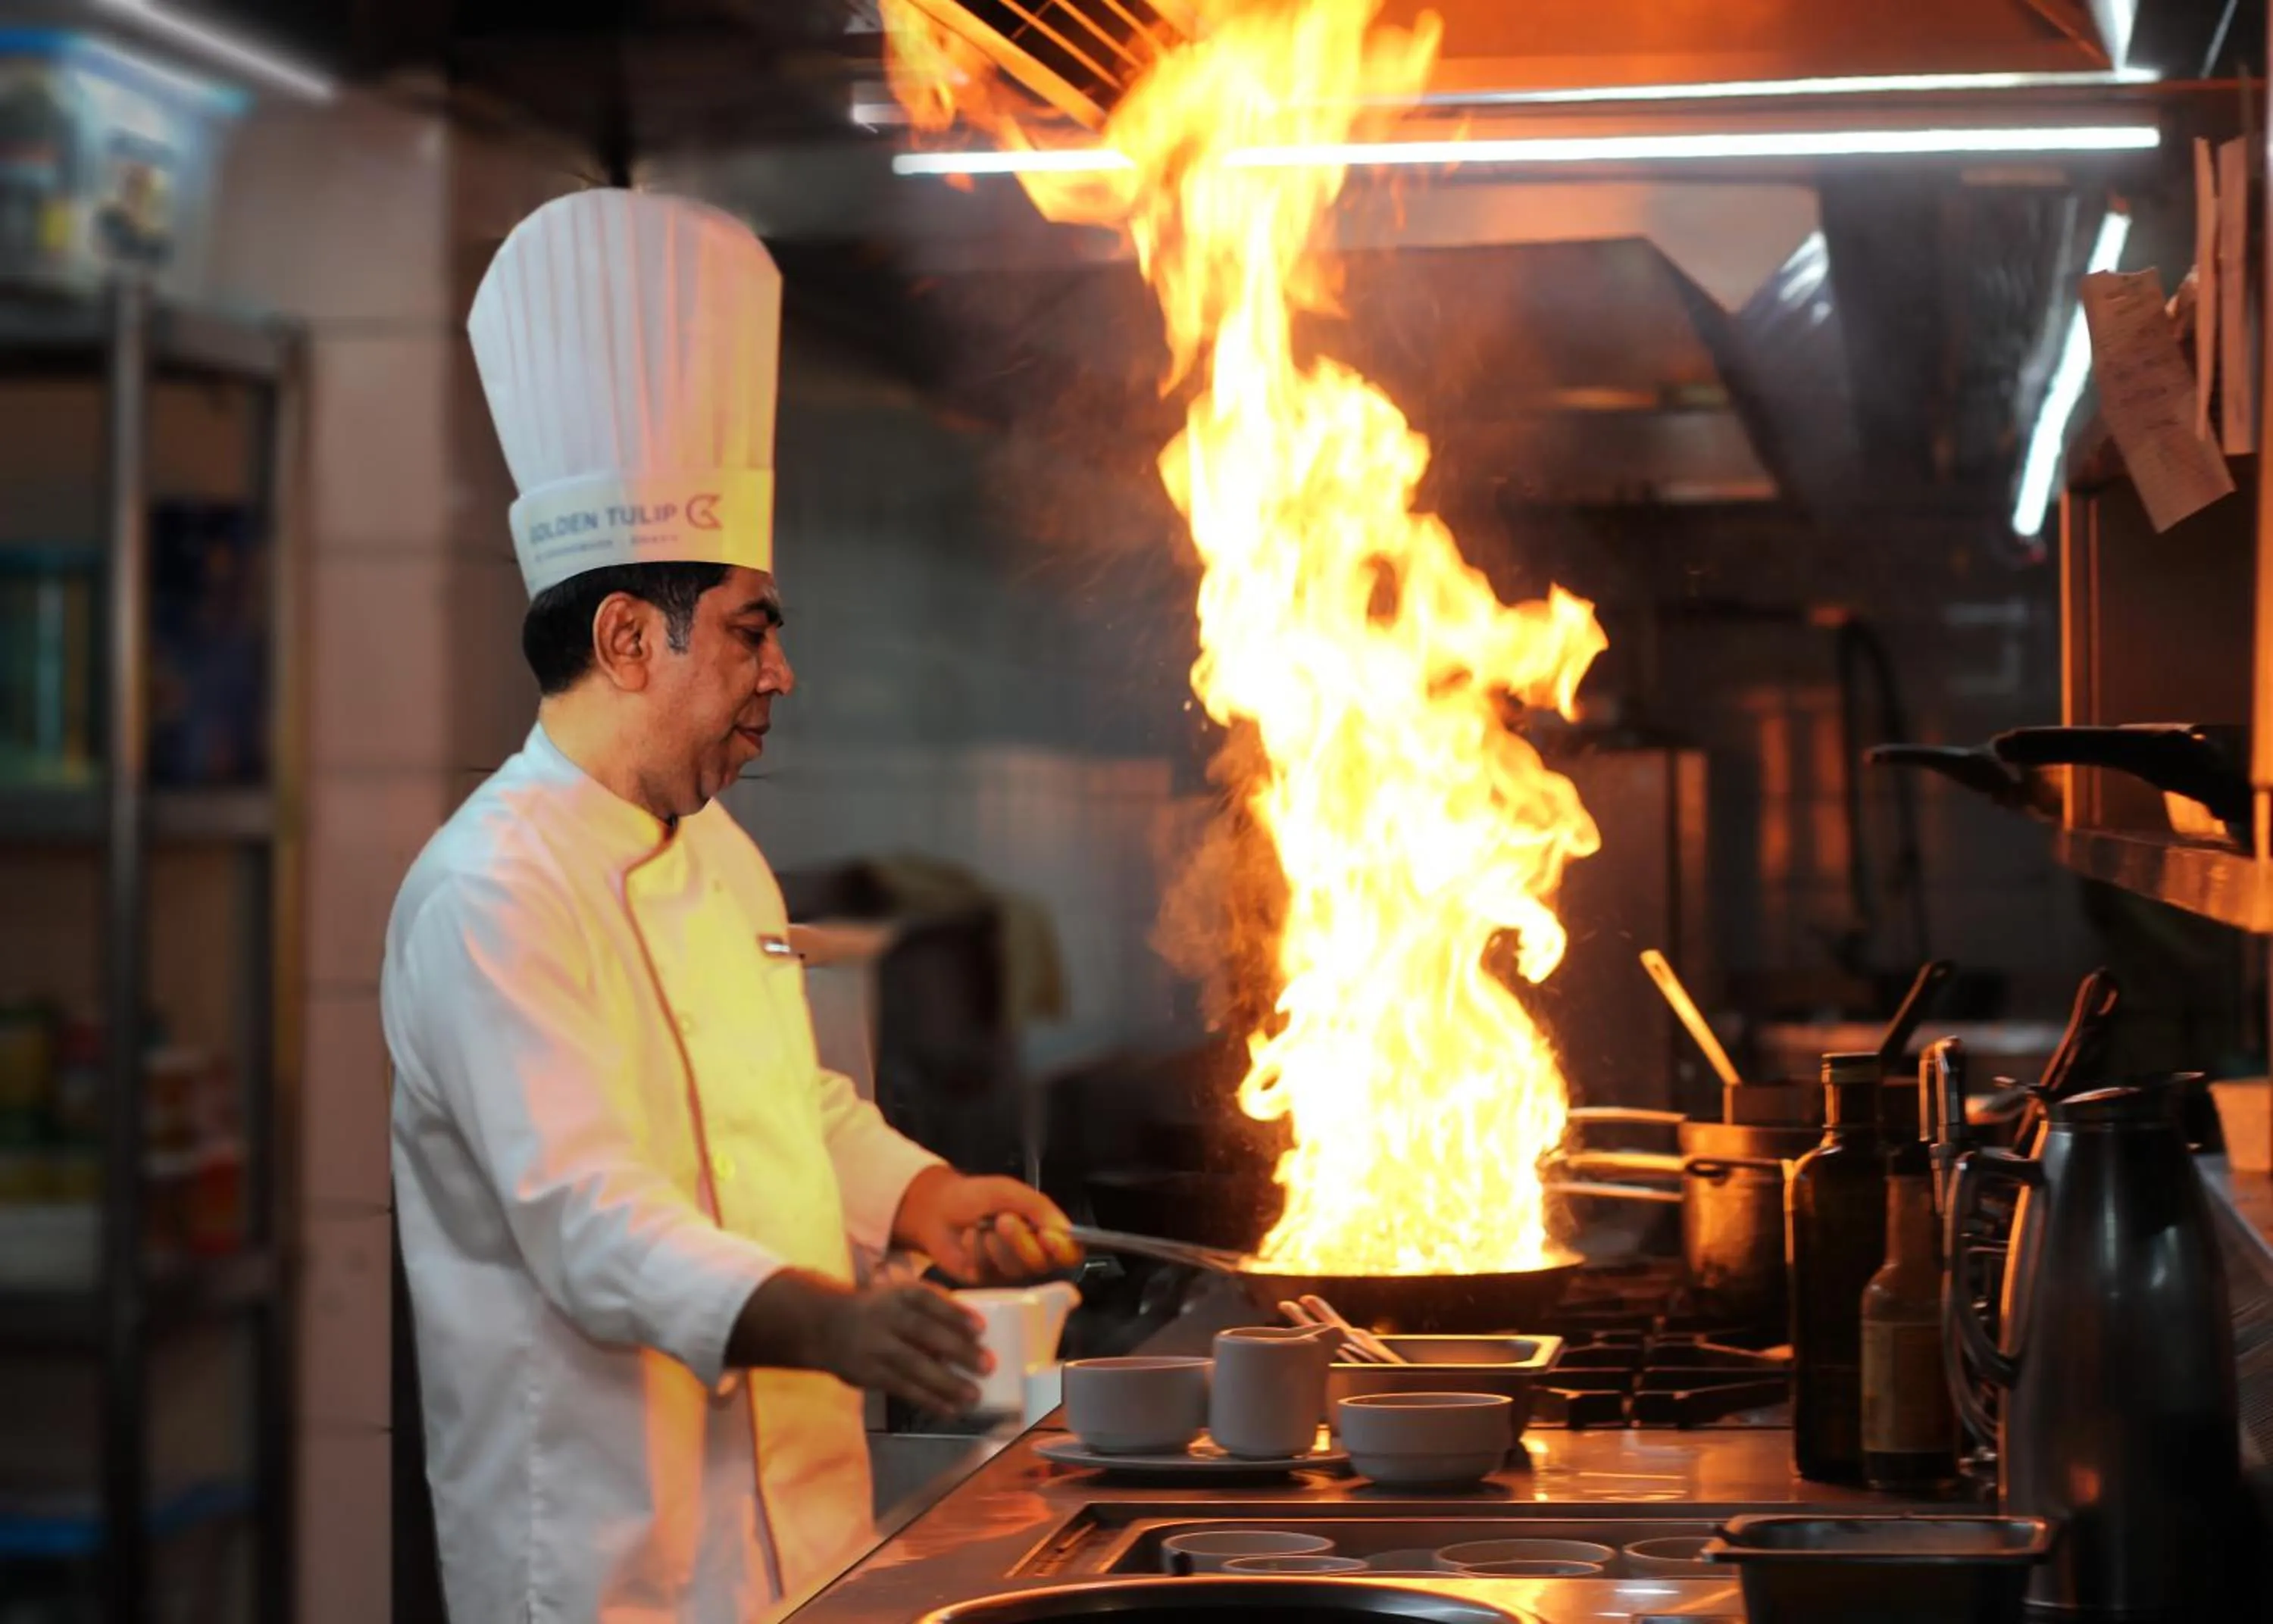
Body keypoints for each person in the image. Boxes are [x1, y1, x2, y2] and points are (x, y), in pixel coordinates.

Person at [381, 187, 1080, 1624]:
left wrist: (925, 1199)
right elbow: (587, 1222)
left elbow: (788, 1102)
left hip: (804, 1549)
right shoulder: (485, 893)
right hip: (604, 1567)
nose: (783, 673)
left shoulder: (717, 854)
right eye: (755, 630)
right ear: (630, 638)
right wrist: (833, 1322)